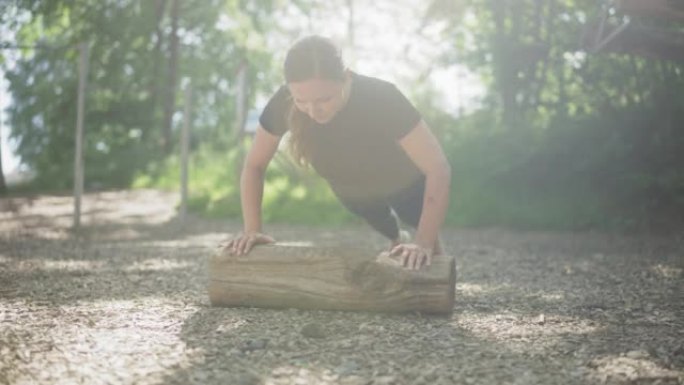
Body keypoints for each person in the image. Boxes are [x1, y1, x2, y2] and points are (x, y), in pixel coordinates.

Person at [225, 35, 451, 270]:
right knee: (377, 218)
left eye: (324, 99)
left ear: (346, 78)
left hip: (398, 176)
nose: (313, 111)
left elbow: (438, 167)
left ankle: (420, 246)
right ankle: (396, 239)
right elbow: (254, 166)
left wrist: (424, 242)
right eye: (301, 101)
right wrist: (252, 230)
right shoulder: (282, 102)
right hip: (348, 184)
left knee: (422, 236)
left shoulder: (383, 97)